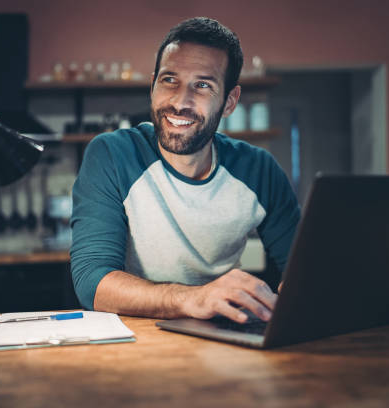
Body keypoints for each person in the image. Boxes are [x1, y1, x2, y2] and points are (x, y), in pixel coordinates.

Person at [70, 17, 300, 324]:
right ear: (152, 86)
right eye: (169, 80)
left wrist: (297, 295)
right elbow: (92, 282)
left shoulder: (259, 170)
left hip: (222, 338)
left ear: (229, 101)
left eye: (203, 85)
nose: (181, 101)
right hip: (132, 340)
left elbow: (303, 270)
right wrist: (193, 298)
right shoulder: (112, 154)